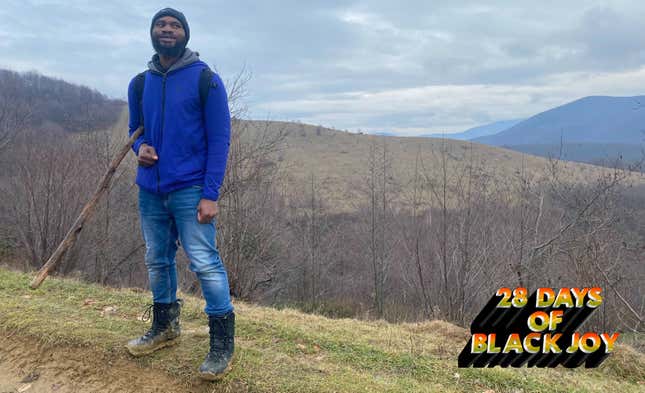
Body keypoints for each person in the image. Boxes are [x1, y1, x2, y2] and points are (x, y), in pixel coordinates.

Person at [124, 7, 235, 381]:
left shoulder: (206, 80)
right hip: (151, 190)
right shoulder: (140, 83)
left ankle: (222, 345)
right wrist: (141, 149)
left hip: (191, 190)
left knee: (204, 262)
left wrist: (210, 194)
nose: (167, 29)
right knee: (157, 259)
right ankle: (166, 327)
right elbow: (135, 131)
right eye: (161, 24)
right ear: (152, 33)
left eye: (175, 25)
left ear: (185, 34)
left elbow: (219, 141)